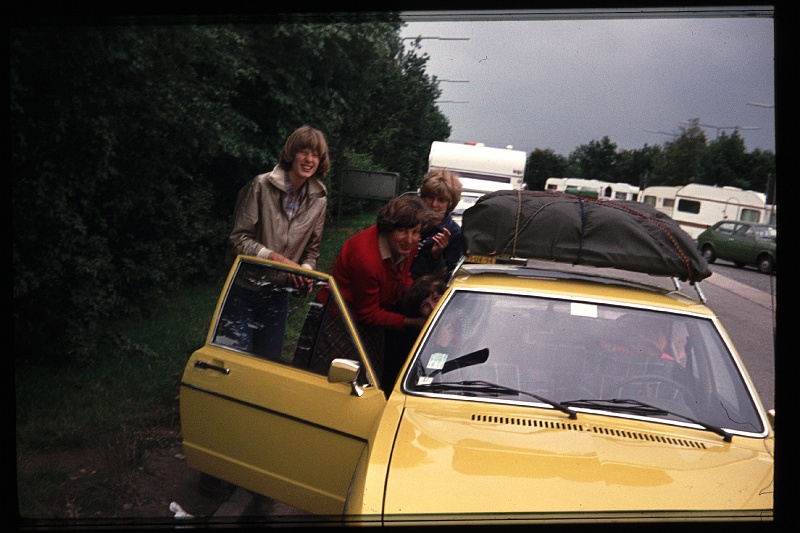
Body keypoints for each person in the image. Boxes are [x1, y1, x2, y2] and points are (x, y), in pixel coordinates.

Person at [222, 125, 330, 358]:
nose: (309, 159)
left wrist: (304, 272)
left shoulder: (320, 198)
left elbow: (312, 250)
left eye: (315, 155)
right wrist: (277, 259)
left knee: (267, 363)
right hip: (244, 289)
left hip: (279, 295)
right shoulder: (261, 185)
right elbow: (238, 238)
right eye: (304, 152)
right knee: (233, 362)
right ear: (292, 153)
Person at [318, 195, 437, 381]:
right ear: (388, 228)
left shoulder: (408, 245)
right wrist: (411, 321)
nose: (410, 239)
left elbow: (402, 277)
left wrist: (420, 298)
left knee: (371, 376)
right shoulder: (366, 259)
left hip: (373, 315)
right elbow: (368, 313)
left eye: (415, 232)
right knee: (340, 379)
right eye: (403, 231)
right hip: (341, 318)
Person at [383, 273, 448, 389]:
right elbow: (427, 378)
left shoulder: (464, 320)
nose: (433, 308)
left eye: (436, 299)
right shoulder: (415, 340)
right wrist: (440, 345)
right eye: (425, 305)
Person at [410, 168, 465, 280]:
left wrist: (436, 256)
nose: (434, 204)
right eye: (430, 197)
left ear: (449, 204)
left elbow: (447, 277)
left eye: (441, 200)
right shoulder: (411, 219)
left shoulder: (454, 233)